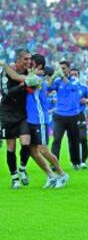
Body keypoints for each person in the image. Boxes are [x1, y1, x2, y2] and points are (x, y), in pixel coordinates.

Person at [1, 54, 70, 188]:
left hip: (40, 119)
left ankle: (62, 174)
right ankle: (51, 176)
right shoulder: (36, 76)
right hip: (30, 120)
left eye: (31, 62)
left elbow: (15, 77)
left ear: (38, 66)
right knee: (32, 151)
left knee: (43, 150)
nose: (28, 64)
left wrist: (3, 64)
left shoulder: (36, 79)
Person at [0, 48, 32, 188]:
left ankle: (22, 168)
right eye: (26, 59)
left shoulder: (29, 72)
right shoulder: (7, 72)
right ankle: (14, 178)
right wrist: (23, 85)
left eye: (30, 59)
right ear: (18, 60)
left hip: (23, 113)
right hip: (7, 113)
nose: (29, 62)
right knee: (11, 147)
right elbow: (6, 93)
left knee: (26, 143)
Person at [48, 61, 81, 170]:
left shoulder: (75, 80)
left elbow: (72, 88)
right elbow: (47, 88)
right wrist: (53, 76)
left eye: (64, 68)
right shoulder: (58, 81)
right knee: (56, 140)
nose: (62, 70)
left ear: (69, 69)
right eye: (60, 68)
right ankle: (53, 163)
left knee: (74, 140)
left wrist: (63, 77)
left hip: (73, 115)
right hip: (59, 115)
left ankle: (75, 162)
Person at [70, 68, 88, 169]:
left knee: (83, 137)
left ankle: (83, 160)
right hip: (69, 115)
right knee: (72, 139)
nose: (74, 76)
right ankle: (75, 162)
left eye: (76, 74)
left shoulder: (84, 87)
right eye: (72, 75)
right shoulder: (67, 87)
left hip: (80, 114)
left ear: (79, 76)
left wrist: (86, 100)